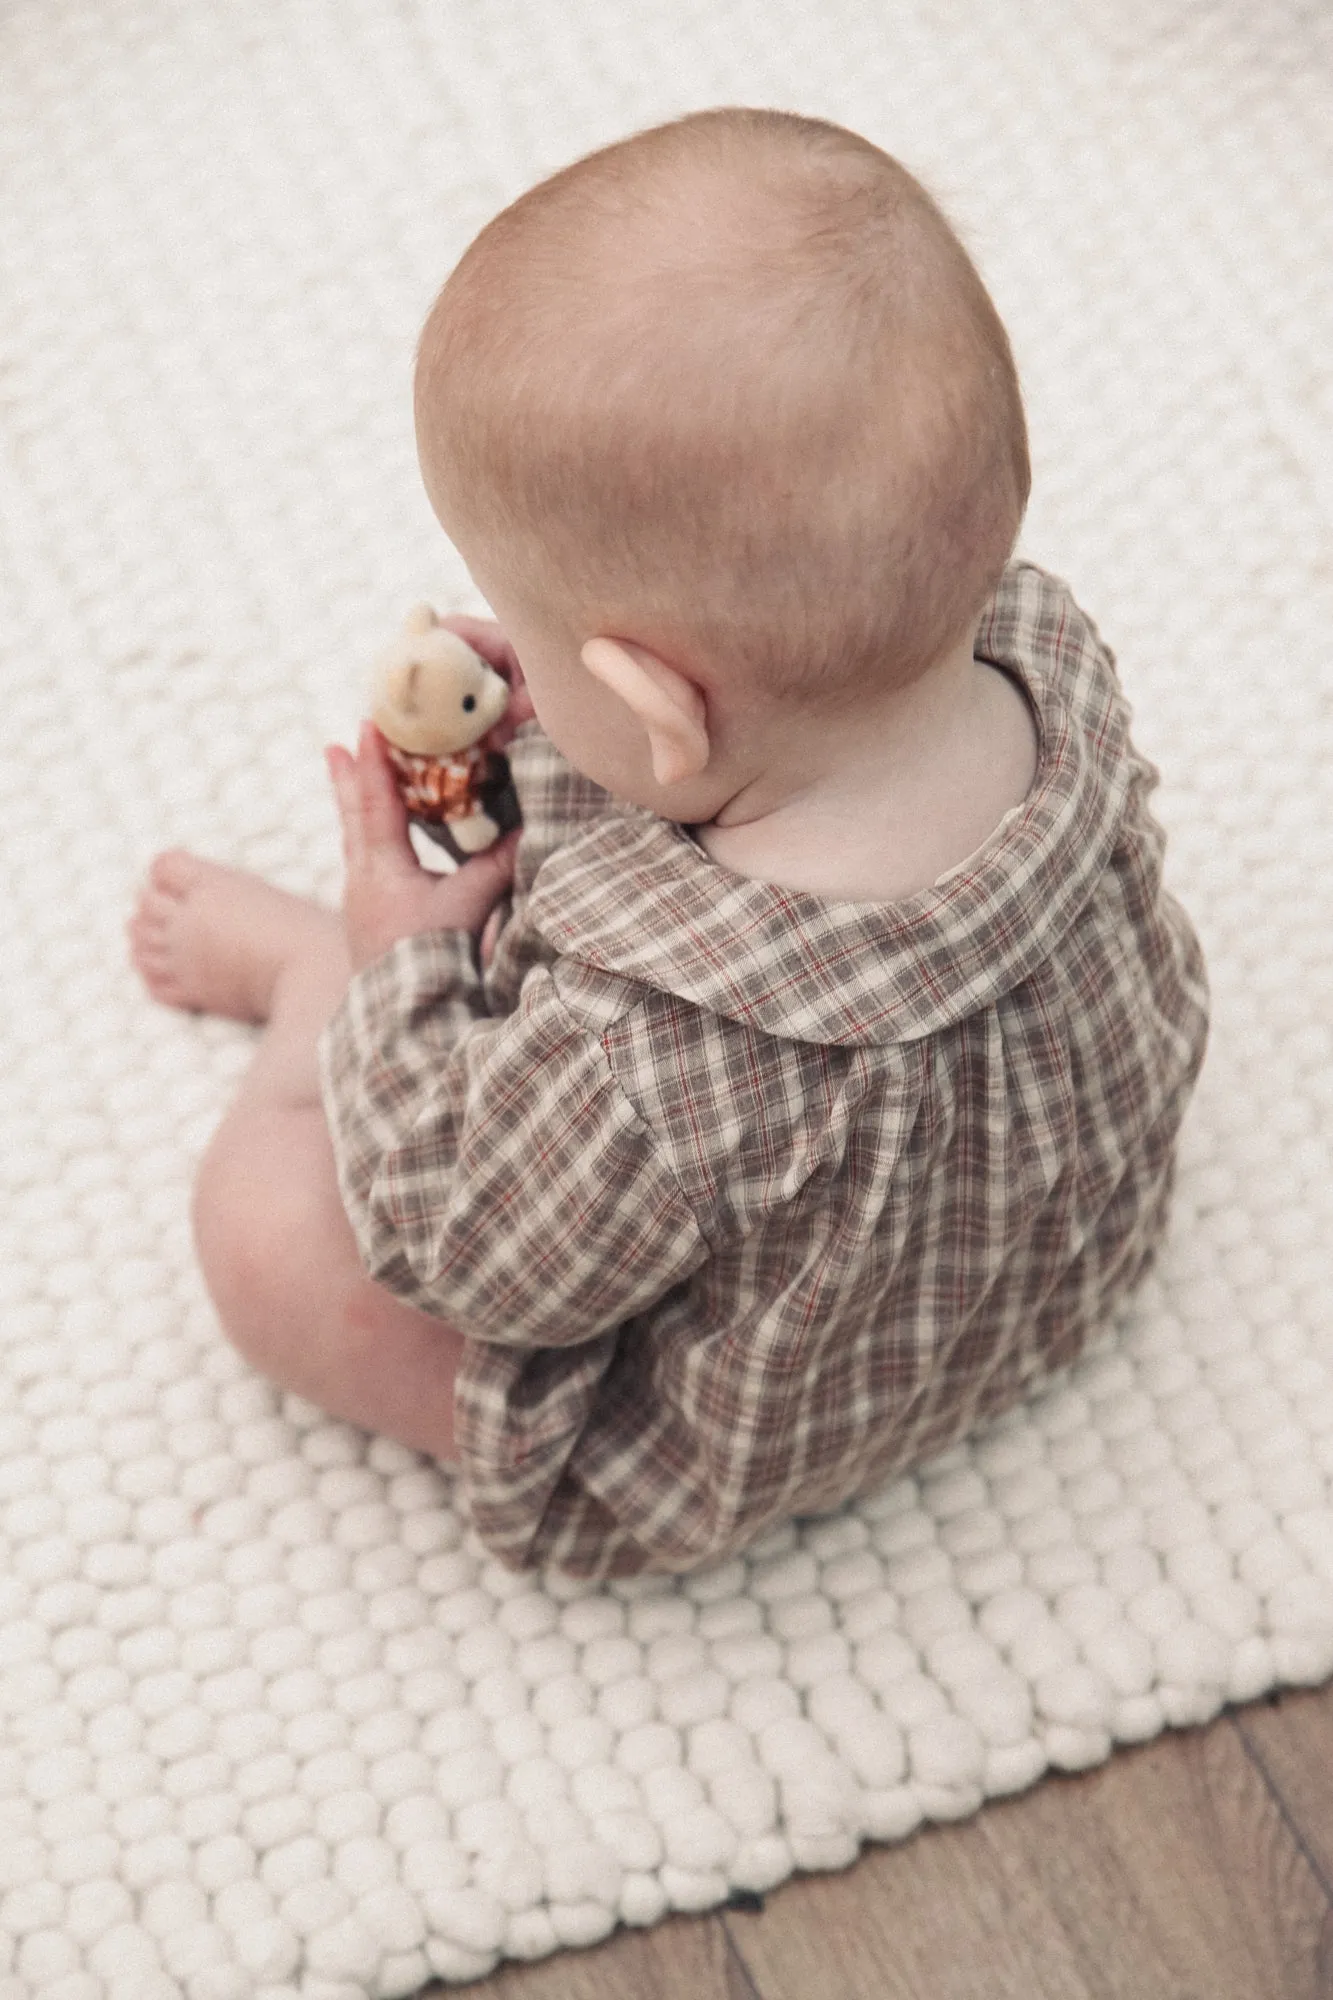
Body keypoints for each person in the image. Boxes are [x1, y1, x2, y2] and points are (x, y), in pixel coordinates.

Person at [129, 108, 1208, 1580]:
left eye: (567, 661)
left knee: (260, 1237)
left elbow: (465, 1247)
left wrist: (400, 969)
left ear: (658, 706)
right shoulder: (1046, 659)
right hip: (1044, 1279)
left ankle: (324, 986)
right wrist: (587, 705)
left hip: (729, 1429)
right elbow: (718, 760)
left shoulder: (646, 1068)